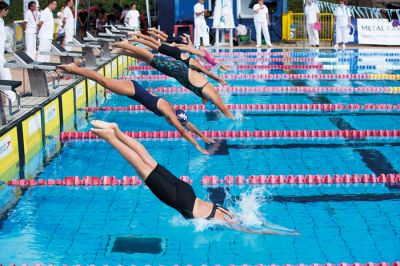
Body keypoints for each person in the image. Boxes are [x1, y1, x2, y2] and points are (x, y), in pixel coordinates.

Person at [89, 120, 300, 235]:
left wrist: (276, 227)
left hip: (187, 189)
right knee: (140, 167)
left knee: (147, 159)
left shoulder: (226, 210)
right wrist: (283, 234)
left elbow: (255, 223)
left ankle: (117, 130)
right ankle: (110, 137)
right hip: (181, 200)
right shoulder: (227, 220)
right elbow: (253, 232)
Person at [57, 63, 214, 154]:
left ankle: (74, 69)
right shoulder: (168, 112)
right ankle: (73, 68)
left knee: (103, 81)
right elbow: (182, 129)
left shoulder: (173, 109)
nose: (171, 124)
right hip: (134, 90)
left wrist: (202, 135)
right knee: (102, 80)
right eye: (172, 122)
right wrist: (197, 145)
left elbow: (187, 124)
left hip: (135, 89)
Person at [113, 40, 235, 119]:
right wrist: (233, 119)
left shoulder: (204, 95)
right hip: (177, 69)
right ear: (211, 102)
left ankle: (124, 52)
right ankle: (125, 45)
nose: (203, 105)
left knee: (149, 60)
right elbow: (224, 109)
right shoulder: (211, 93)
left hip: (176, 72)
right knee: (151, 57)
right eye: (207, 105)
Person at [130, 33, 226, 84]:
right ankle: (138, 37)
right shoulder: (196, 64)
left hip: (176, 52)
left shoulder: (195, 62)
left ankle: (138, 37)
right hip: (174, 53)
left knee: (155, 45)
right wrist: (219, 79)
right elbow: (208, 72)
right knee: (154, 45)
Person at [0, 2, 11, 81]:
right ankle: (10, 94)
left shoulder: (1, 20)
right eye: (6, 9)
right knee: (6, 77)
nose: (7, 11)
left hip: (1, 53)